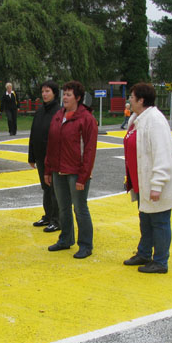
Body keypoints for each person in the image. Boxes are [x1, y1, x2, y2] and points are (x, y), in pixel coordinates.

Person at [122, 82, 172, 274]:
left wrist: (157, 185)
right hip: (142, 181)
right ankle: (144, 253)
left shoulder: (155, 121)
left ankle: (160, 261)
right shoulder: (137, 119)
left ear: (141, 100)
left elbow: (162, 155)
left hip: (156, 182)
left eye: (132, 98)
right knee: (145, 219)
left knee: (159, 221)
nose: (129, 101)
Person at [44, 80, 98, 259]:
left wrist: (83, 176)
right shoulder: (58, 115)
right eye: (64, 94)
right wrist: (48, 169)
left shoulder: (87, 119)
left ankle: (85, 245)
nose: (65, 98)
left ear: (78, 97)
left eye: (68, 95)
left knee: (80, 209)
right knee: (63, 207)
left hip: (76, 172)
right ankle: (65, 239)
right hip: (58, 170)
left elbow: (89, 150)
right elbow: (51, 144)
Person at [28, 80, 61, 233]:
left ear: (54, 93)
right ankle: (48, 216)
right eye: (43, 91)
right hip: (41, 157)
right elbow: (33, 133)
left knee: (54, 190)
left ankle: (56, 220)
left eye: (47, 91)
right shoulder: (40, 111)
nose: (44, 94)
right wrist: (31, 156)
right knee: (45, 188)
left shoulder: (59, 112)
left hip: (54, 158)